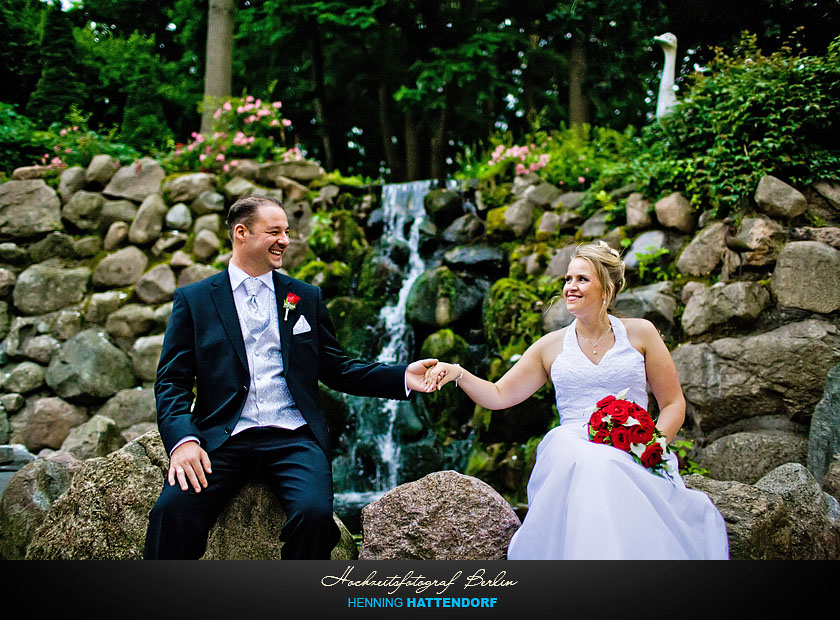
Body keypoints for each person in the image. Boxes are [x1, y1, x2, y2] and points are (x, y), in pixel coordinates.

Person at [144, 195, 437, 560]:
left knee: (314, 516)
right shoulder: (195, 299)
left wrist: (402, 377)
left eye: (287, 231)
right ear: (241, 233)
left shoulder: (304, 297)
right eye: (274, 232)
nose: (285, 239)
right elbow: (171, 381)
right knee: (170, 512)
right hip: (221, 437)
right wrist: (183, 440)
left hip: (293, 437)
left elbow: (337, 368)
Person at [425, 241, 729, 559]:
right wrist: (458, 372)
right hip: (571, 448)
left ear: (607, 288)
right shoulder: (550, 346)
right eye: (568, 279)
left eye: (582, 279)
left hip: (632, 450)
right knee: (591, 463)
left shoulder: (641, 334)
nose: (570, 287)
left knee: (606, 467)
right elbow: (499, 395)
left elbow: (673, 404)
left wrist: (651, 445)